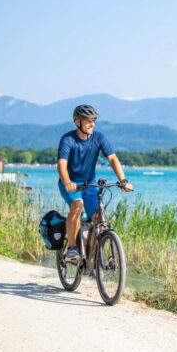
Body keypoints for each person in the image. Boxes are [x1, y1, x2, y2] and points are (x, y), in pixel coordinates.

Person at [57, 104, 132, 262]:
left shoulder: (99, 138)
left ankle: (91, 254)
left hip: (89, 184)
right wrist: (68, 182)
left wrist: (123, 180)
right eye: (88, 120)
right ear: (78, 122)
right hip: (70, 184)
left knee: (99, 216)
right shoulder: (68, 139)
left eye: (94, 120)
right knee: (77, 206)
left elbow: (112, 158)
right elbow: (61, 164)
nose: (92, 123)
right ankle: (71, 248)